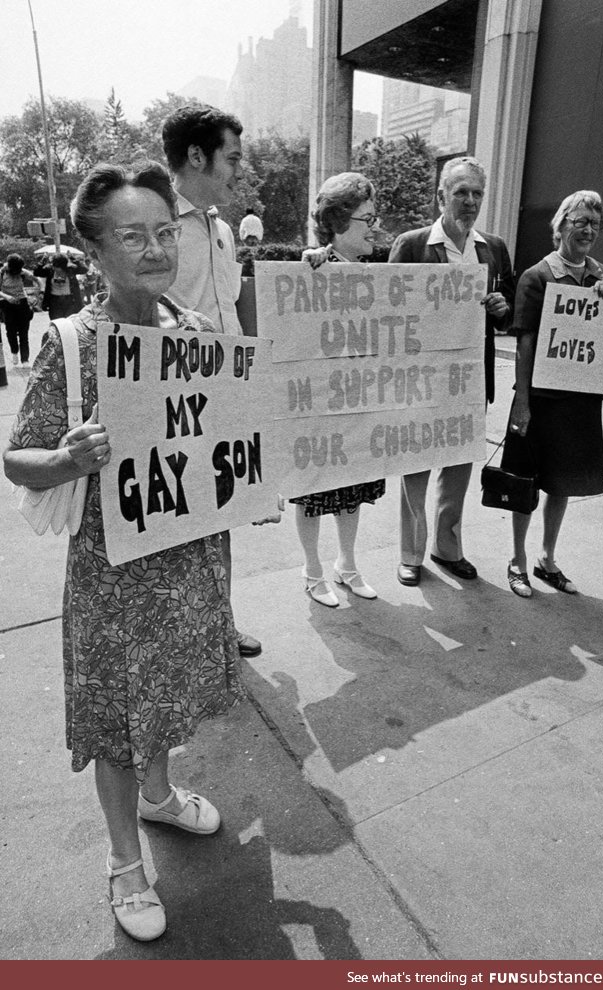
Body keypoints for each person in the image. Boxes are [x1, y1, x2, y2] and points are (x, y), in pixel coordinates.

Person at [3, 161, 244, 942]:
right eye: (133, 235)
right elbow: (18, 457)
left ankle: (160, 797)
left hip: (188, 564)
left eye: (164, 232)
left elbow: (227, 444)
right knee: (116, 719)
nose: (155, 249)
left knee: (166, 701)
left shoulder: (198, 334)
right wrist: (69, 457)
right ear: (95, 252)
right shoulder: (72, 345)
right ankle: (124, 862)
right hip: (112, 579)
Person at [161, 103, 262, 658]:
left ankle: (219, 624)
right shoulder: (155, 226)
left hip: (223, 395)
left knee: (219, 515)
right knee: (175, 521)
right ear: (197, 156)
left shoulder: (222, 228)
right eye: (233, 157)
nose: (239, 170)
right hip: (172, 401)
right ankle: (182, 638)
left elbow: (233, 306)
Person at [389, 156, 515, 586]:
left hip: (470, 380)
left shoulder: (493, 248)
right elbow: (387, 312)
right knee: (415, 467)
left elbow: (508, 311)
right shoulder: (412, 244)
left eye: (477, 193)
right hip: (421, 380)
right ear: (440, 196)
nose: (470, 201)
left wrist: (502, 310)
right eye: (460, 192)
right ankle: (411, 553)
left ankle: (448, 547)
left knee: (459, 467)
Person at [504, 190, 603, 598]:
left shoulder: (601, 275)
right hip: (541, 400)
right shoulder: (537, 277)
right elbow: (525, 343)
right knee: (526, 482)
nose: (587, 230)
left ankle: (546, 559)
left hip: (579, 401)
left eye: (594, 223)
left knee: (563, 482)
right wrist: (522, 402)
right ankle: (517, 559)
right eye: (580, 221)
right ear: (561, 226)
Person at [294, 171, 386, 607]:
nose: (376, 227)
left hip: (359, 400)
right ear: (336, 220)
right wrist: (311, 263)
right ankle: (313, 572)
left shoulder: (377, 276)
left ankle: (346, 565)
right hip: (317, 405)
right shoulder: (312, 268)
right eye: (367, 219)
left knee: (352, 490)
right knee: (312, 489)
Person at [0, 253, 38, 366]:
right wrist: (7, 297)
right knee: (10, 331)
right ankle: (14, 352)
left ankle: (25, 359)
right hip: (7, 304)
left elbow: (36, 279)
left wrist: (38, 293)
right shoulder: (2, 272)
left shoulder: (22, 271)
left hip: (22, 303)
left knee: (23, 332)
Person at [34, 252, 86, 320]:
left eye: (59, 268)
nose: (57, 269)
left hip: (70, 301)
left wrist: (73, 259)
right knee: (57, 323)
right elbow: (36, 272)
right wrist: (43, 260)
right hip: (55, 302)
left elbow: (84, 269)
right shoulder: (50, 270)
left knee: (70, 323)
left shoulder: (71, 269)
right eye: (55, 267)